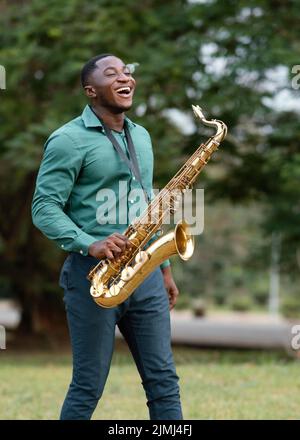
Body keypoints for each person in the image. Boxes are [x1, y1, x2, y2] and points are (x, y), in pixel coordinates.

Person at [32, 53, 182, 420]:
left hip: (144, 273)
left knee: (164, 380)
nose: (123, 77)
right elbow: (43, 207)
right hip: (92, 276)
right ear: (91, 91)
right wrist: (90, 242)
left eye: (127, 71)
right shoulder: (67, 140)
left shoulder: (141, 136)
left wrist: (164, 269)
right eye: (111, 73)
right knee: (88, 384)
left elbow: (149, 206)